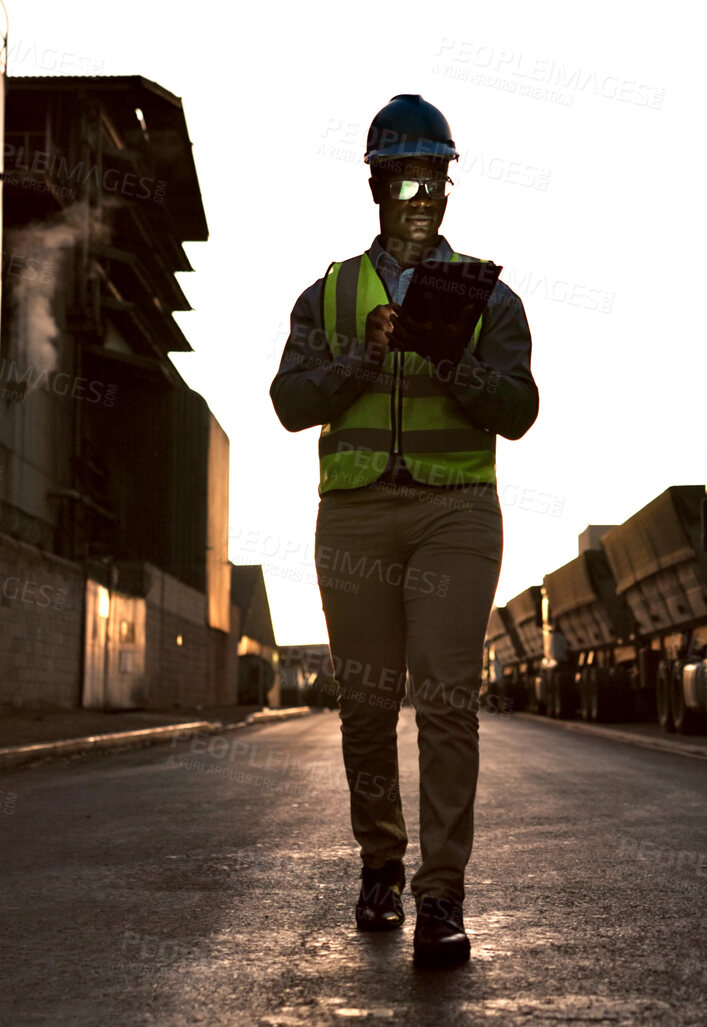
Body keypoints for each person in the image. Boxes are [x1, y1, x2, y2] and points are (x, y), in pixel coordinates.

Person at [269, 94, 537, 967]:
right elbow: (288, 404)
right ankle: (379, 862)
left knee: (448, 702)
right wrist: (364, 357)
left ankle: (442, 896)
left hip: (455, 510)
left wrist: (451, 360)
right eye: (406, 179)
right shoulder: (330, 295)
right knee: (367, 706)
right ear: (378, 185)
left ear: (448, 189)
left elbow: (520, 410)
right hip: (355, 513)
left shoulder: (488, 296)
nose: (422, 196)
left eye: (435, 180)